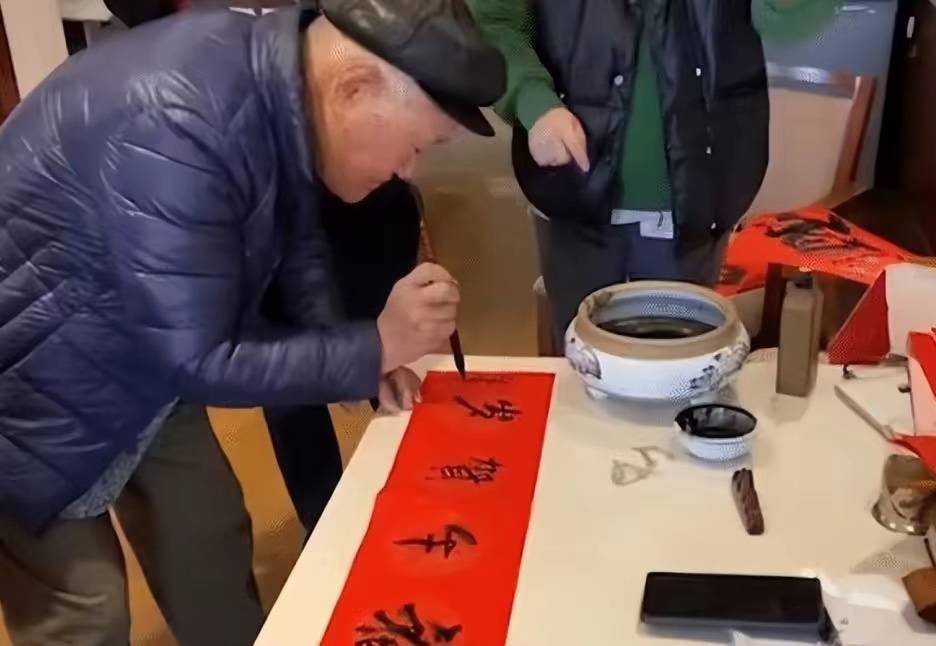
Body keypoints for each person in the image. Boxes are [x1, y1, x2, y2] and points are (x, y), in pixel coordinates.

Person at [0, 1, 505, 644]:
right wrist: (369, 346)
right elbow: (200, 359)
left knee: (205, 538)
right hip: (31, 380)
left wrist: (354, 355)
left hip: (138, 349)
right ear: (354, 88)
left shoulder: (271, 79)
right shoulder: (178, 121)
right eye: (415, 147)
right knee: (84, 607)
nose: (409, 172)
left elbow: (296, 244)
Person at [104, 0, 430, 533]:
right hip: (248, 186)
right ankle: (326, 526)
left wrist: (366, 353)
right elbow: (207, 356)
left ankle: (417, 494)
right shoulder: (181, 113)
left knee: (370, 341)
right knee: (292, 390)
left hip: (342, 168)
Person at [471, 0, 771, 347]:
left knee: (677, 365)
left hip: (696, 201)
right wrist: (533, 102)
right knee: (584, 363)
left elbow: (789, 21)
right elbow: (492, 22)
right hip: (572, 198)